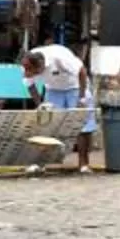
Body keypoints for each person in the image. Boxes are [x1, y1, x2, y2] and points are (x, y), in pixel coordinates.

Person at [24, 32, 96, 173]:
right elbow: (30, 85)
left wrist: (81, 98)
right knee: (47, 124)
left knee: (82, 125)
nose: (31, 73)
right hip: (53, 89)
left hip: (76, 86)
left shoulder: (59, 57)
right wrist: (40, 104)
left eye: (35, 72)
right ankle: (42, 163)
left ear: (41, 66)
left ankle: (83, 164)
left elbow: (82, 72)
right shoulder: (28, 61)